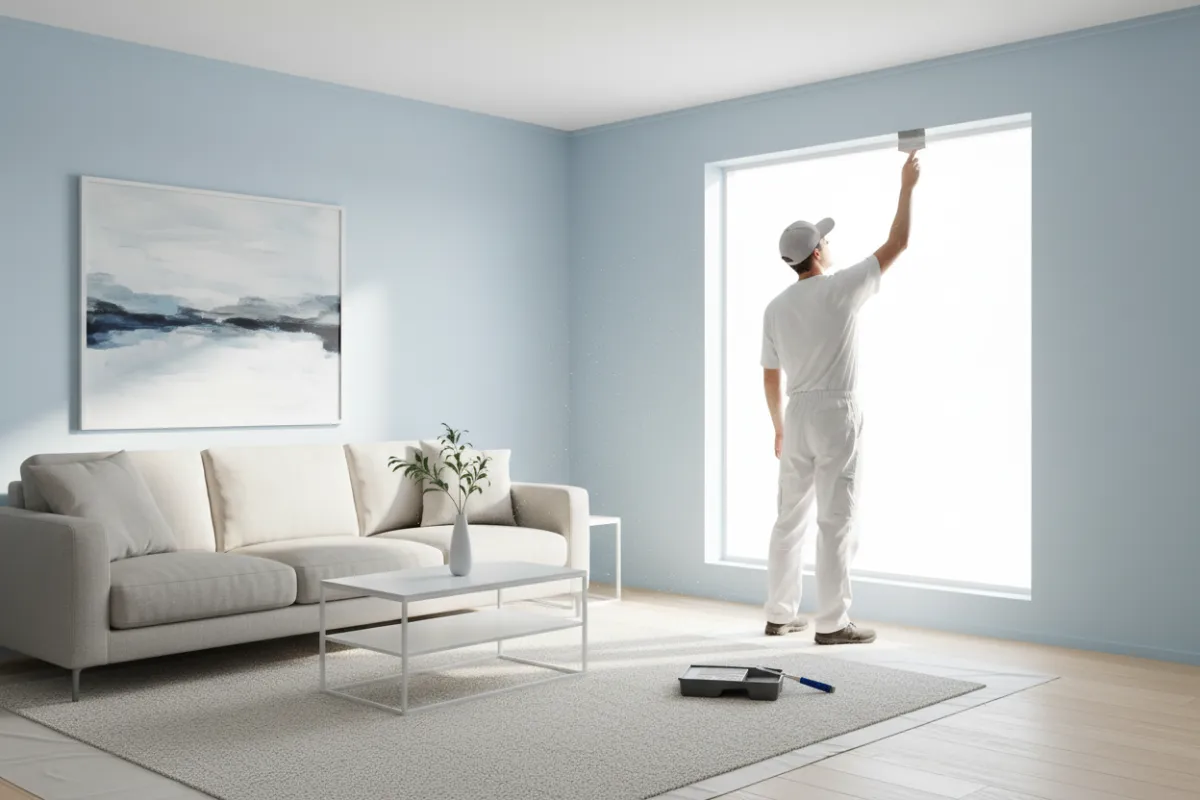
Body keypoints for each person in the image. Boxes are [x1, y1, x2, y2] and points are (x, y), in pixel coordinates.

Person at [760, 150, 921, 643]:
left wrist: (779, 426)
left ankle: (779, 613)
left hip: (797, 409)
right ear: (816, 253)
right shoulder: (840, 288)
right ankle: (832, 623)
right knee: (835, 518)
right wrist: (907, 186)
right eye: (825, 240)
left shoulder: (775, 307)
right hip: (835, 413)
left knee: (789, 518)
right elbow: (899, 242)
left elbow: (770, 374)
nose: (830, 244)